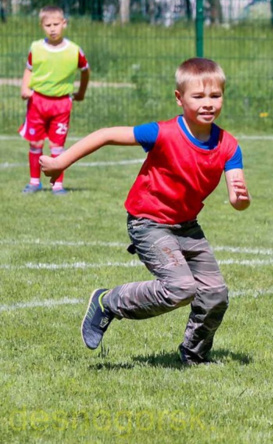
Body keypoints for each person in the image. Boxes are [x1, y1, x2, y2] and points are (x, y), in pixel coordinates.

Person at [40, 58, 251, 365]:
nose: (208, 104)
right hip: (148, 222)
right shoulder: (162, 133)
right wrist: (61, 162)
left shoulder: (229, 146)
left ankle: (194, 355)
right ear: (179, 98)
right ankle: (108, 301)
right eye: (198, 96)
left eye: (215, 96)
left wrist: (241, 199)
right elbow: (107, 134)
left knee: (216, 293)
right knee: (180, 288)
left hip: (186, 225)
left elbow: (238, 196)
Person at [19, 5, 90, 195]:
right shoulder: (36, 47)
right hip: (37, 102)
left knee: (57, 145)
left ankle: (57, 184)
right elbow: (29, 68)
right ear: (42, 26)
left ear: (64, 24)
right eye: (48, 24)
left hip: (61, 104)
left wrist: (81, 92)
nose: (52, 28)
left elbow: (85, 71)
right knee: (35, 144)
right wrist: (25, 87)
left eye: (56, 24)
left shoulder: (74, 50)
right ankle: (34, 182)